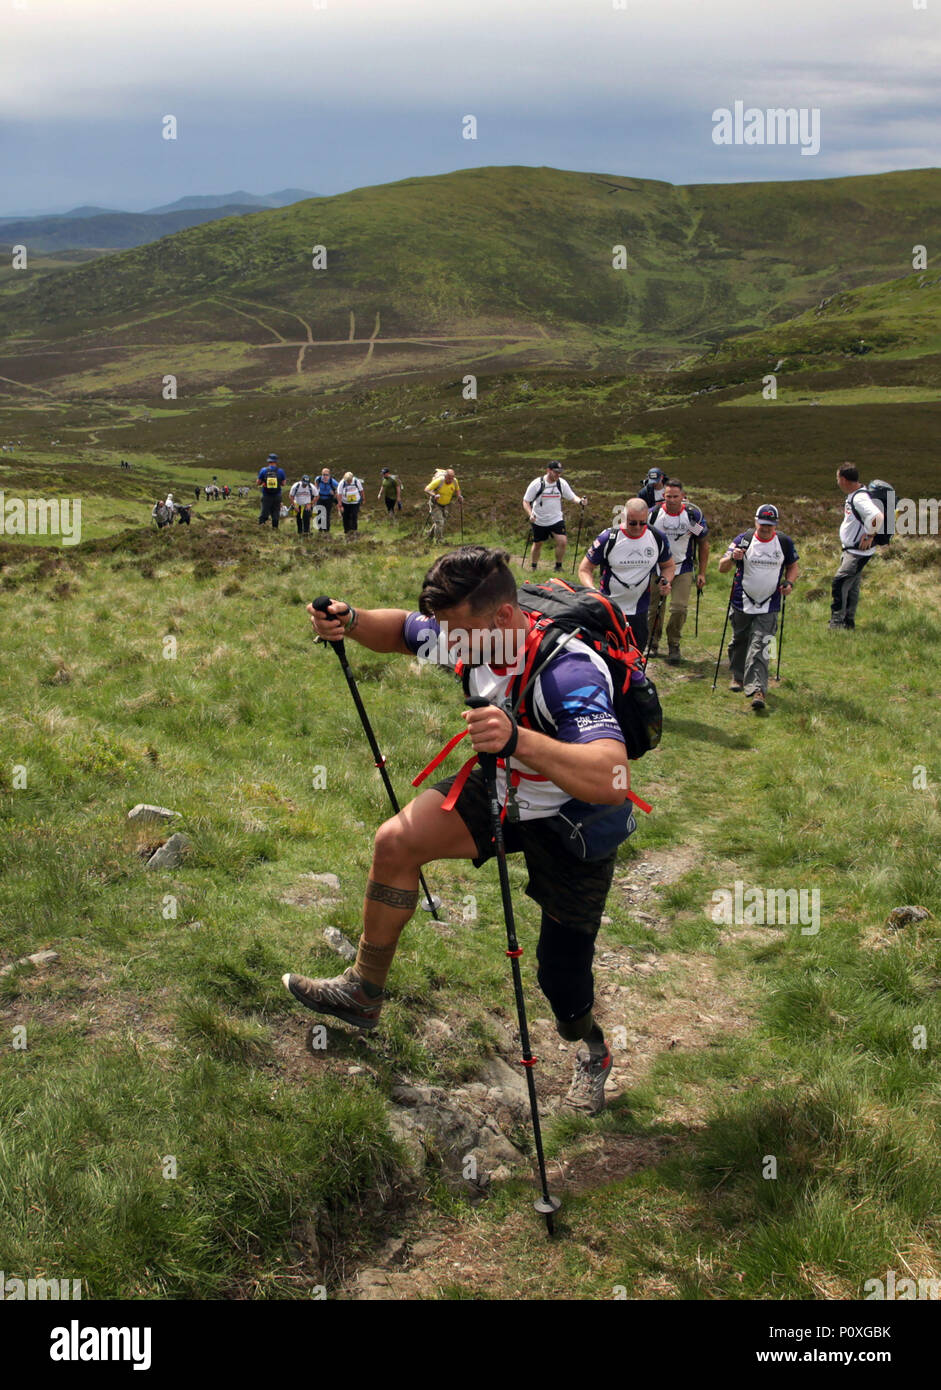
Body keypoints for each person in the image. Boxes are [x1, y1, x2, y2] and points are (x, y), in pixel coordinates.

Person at [283, 546, 636, 1115]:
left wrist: (518, 739)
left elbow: (612, 775)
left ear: (501, 617)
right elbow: (400, 630)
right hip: (499, 786)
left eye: (456, 631)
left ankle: (589, 1048)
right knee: (395, 842)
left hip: (575, 815)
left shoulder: (568, 671)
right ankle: (363, 992)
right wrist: (349, 621)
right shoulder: (467, 633)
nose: (446, 642)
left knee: (560, 977)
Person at [717, 504, 799, 712]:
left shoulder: (783, 542)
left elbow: (792, 566)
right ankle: (738, 676)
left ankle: (759, 690)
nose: (765, 528)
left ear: (776, 525)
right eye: (762, 524)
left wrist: (789, 583)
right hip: (741, 600)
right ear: (755, 522)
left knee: (762, 644)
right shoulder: (743, 540)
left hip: (770, 603)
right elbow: (722, 567)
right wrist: (732, 558)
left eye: (770, 525)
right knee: (740, 640)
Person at [577, 498, 674, 653]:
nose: (637, 527)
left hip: (639, 610)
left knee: (635, 657)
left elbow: (668, 566)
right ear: (623, 517)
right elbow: (585, 569)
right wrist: (592, 591)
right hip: (609, 608)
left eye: (642, 523)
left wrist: (665, 580)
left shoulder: (656, 537)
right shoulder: (608, 538)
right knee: (607, 656)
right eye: (632, 522)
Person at [645, 479, 709, 663]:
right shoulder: (653, 515)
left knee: (679, 608)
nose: (672, 500)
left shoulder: (692, 516)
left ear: (683, 496)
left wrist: (702, 573)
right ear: (663, 496)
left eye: (675, 496)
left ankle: (674, 643)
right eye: (668, 496)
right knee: (655, 608)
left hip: (683, 567)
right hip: (658, 568)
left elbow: (703, 543)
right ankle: (652, 643)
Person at [830, 464, 884, 630]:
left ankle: (837, 624)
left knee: (840, 583)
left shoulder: (859, 498)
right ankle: (848, 623)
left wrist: (869, 535)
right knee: (852, 586)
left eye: (838, 478)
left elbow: (877, 516)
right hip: (855, 550)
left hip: (856, 553)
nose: (837, 482)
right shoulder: (857, 494)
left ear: (844, 480)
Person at [522, 460, 586, 572]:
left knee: (563, 542)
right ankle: (534, 567)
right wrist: (530, 514)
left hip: (556, 519)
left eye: (560, 472)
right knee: (538, 544)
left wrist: (580, 501)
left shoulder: (561, 483)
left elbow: (572, 497)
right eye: (555, 472)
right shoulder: (537, 483)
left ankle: (558, 566)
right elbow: (526, 501)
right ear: (548, 471)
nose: (558, 474)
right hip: (539, 519)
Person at [424, 468, 463, 542]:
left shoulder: (455, 481)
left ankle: (429, 535)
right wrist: (434, 495)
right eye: (449, 478)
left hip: (446, 504)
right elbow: (426, 489)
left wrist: (459, 496)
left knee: (441, 522)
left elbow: (457, 489)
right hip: (435, 504)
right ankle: (439, 541)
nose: (450, 480)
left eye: (452, 478)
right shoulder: (439, 481)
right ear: (445, 476)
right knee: (439, 522)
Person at [257, 453, 286, 529]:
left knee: (264, 512)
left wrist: (263, 482)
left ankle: (261, 527)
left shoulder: (263, 470)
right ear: (276, 462)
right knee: (276, 513)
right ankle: (275, 529)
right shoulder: (281, 471)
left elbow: (258, 483)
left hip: (266, 495)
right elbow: (283, 484)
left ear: (268, 461)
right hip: (277, 495)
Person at [337, 471, 365, 539]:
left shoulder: (356, 481)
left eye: (350, 480)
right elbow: (339, 494)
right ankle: (347, 531)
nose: (349, 482)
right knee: (345, 517)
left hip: (355, 502)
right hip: (345, 503)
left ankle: (354, 531)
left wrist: (363, 498)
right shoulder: (342, 483)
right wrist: (340, 504)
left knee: (354, 516)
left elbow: (361, 490)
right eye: (348, 481)